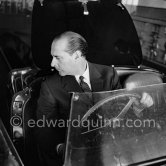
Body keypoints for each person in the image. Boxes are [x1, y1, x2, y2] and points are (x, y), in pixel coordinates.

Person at [35, 31, 153, 166]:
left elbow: (120, 112)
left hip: (110, 149)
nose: (52, 63)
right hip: (77, 153)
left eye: (57, 57)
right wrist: (61, 148)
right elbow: (43, 128)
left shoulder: (108, 74)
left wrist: (138, 108)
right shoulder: (50, 86)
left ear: (77, 55)